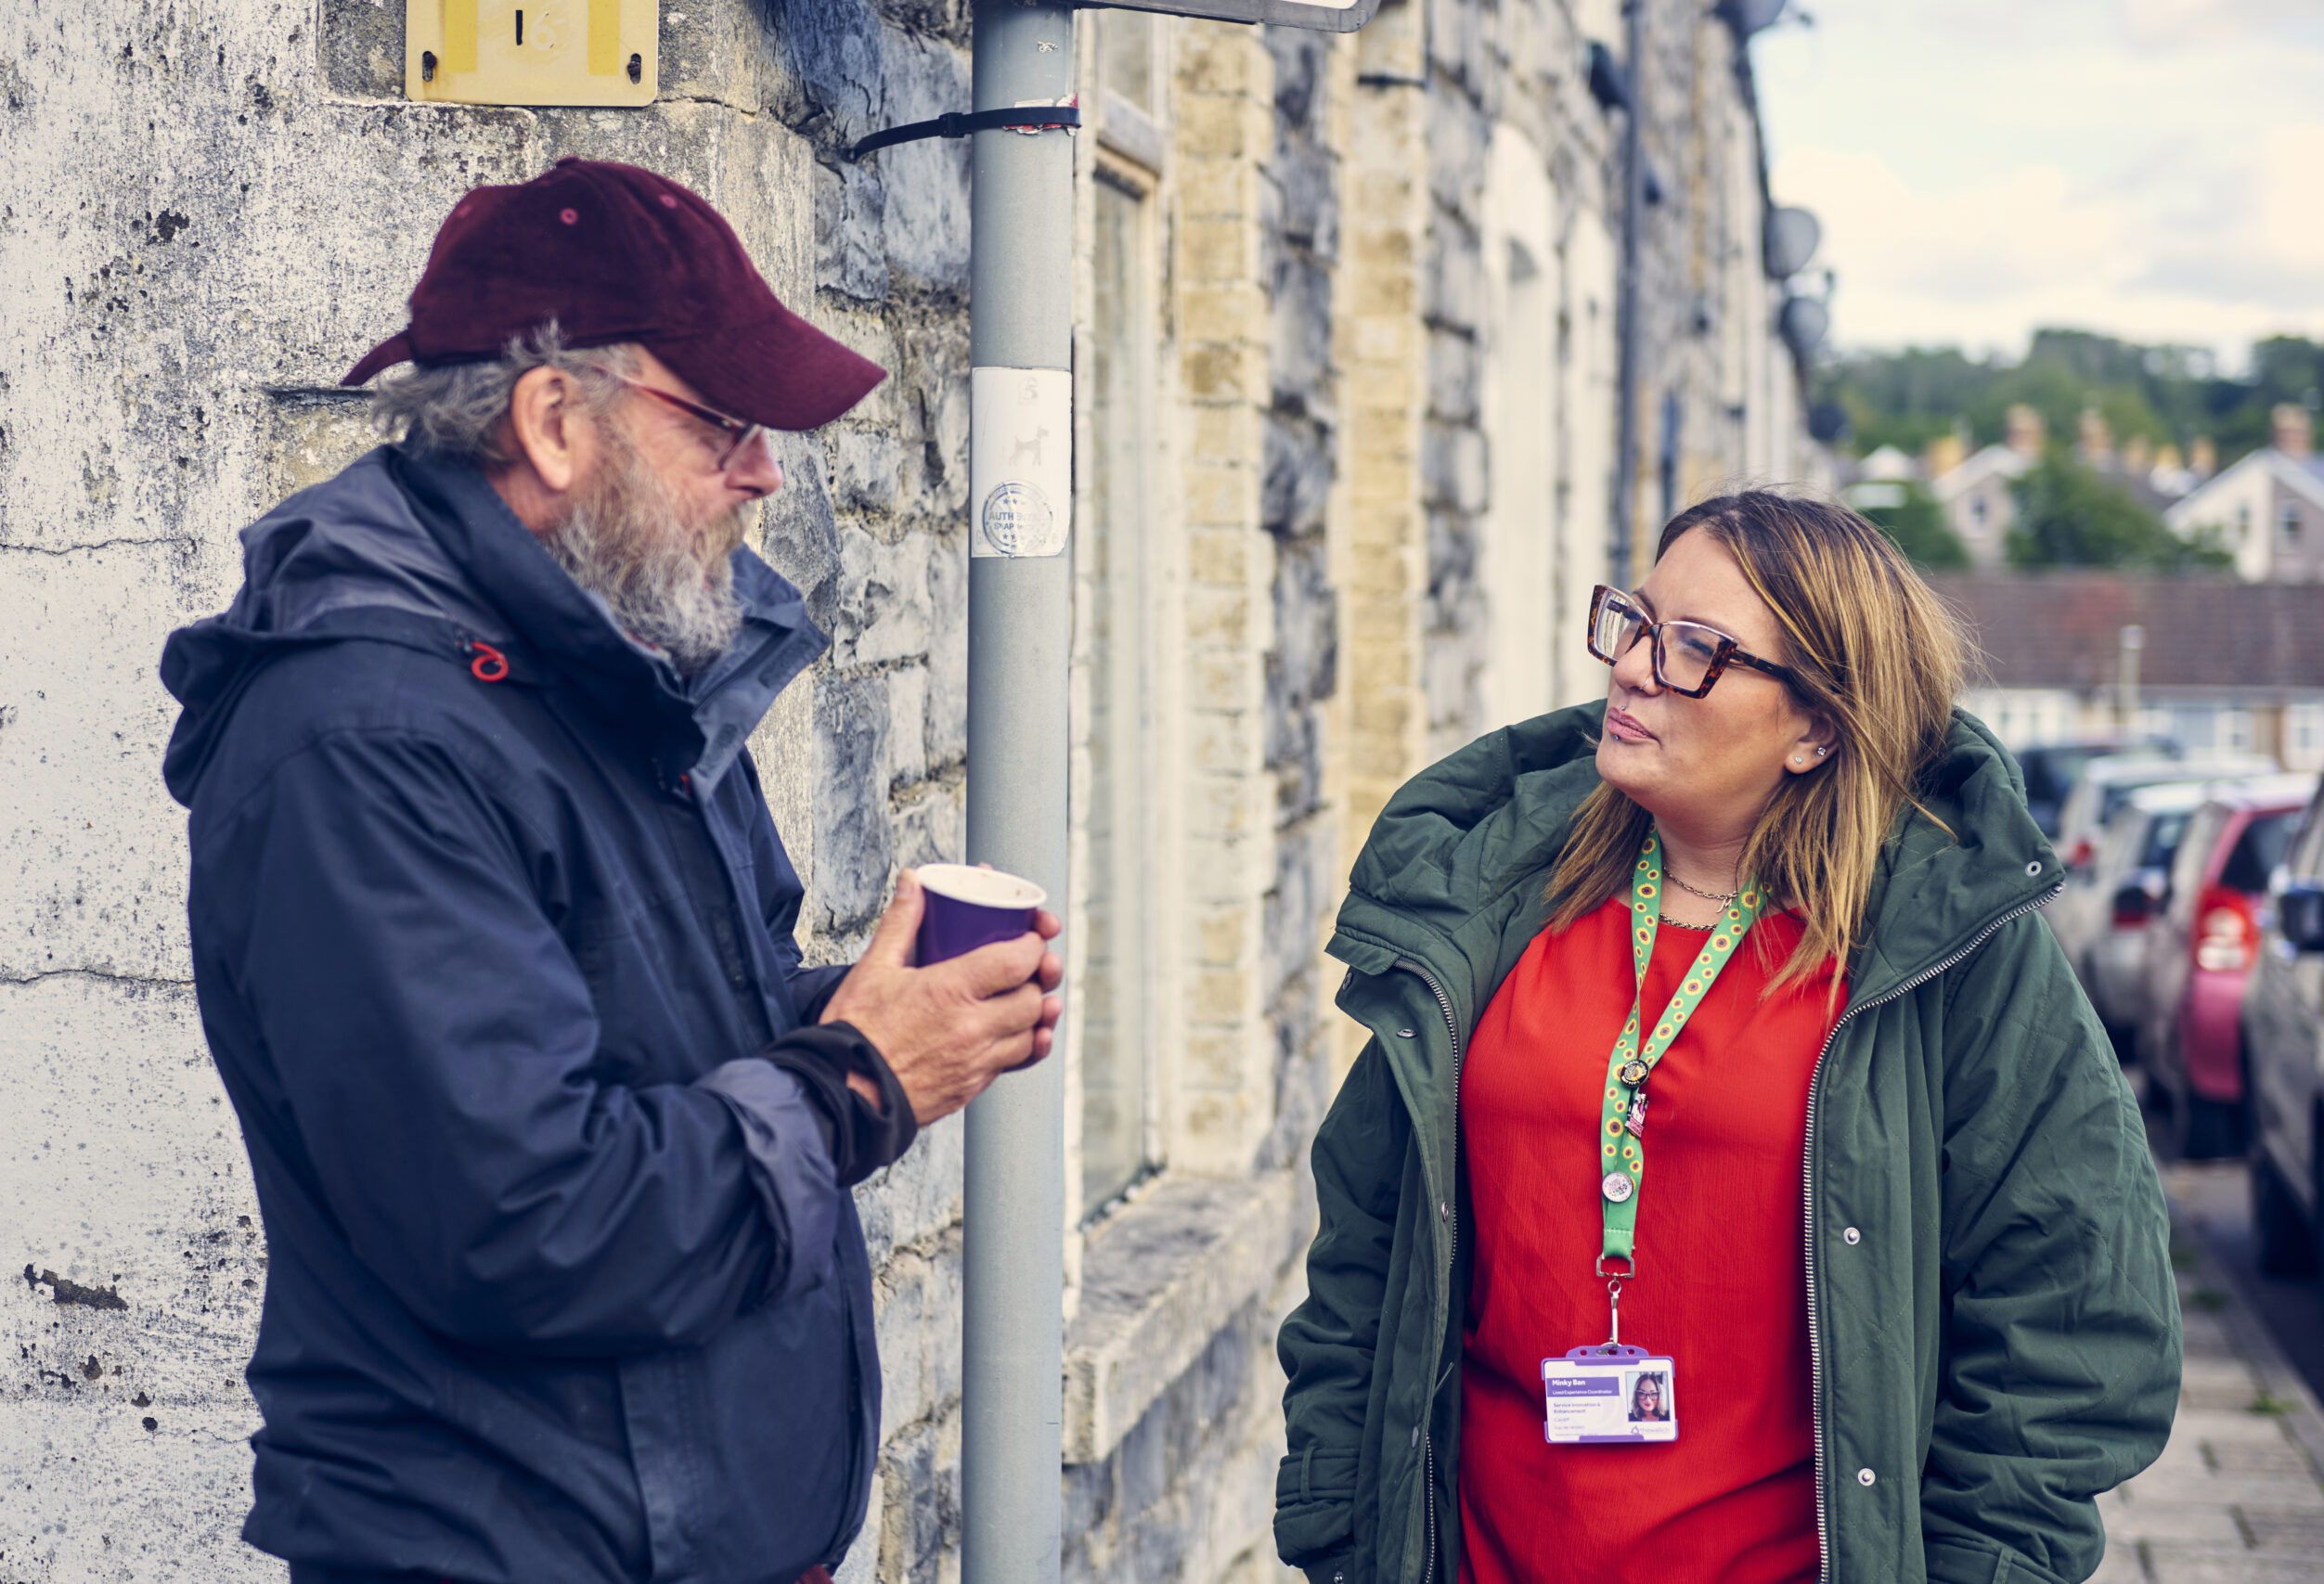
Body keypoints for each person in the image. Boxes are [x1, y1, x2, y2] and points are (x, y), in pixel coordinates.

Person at [160, 158, 1063, 1584]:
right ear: (554, 419)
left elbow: (662, 1039)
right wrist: (859, 1076)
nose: (765, 467)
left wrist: (896, 1011)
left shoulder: (611, 675)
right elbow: (529, 1218)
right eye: (725, 422)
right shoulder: (364, 740)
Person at [1273, 493, 2178, 1584]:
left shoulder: (1942, 953)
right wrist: (1338, 1532)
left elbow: (2076, 1310)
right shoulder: (1489, 905)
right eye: (1637, 621)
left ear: (1816, 727)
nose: (1637, 668)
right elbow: (1366, 1246)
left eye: (1698, 649)